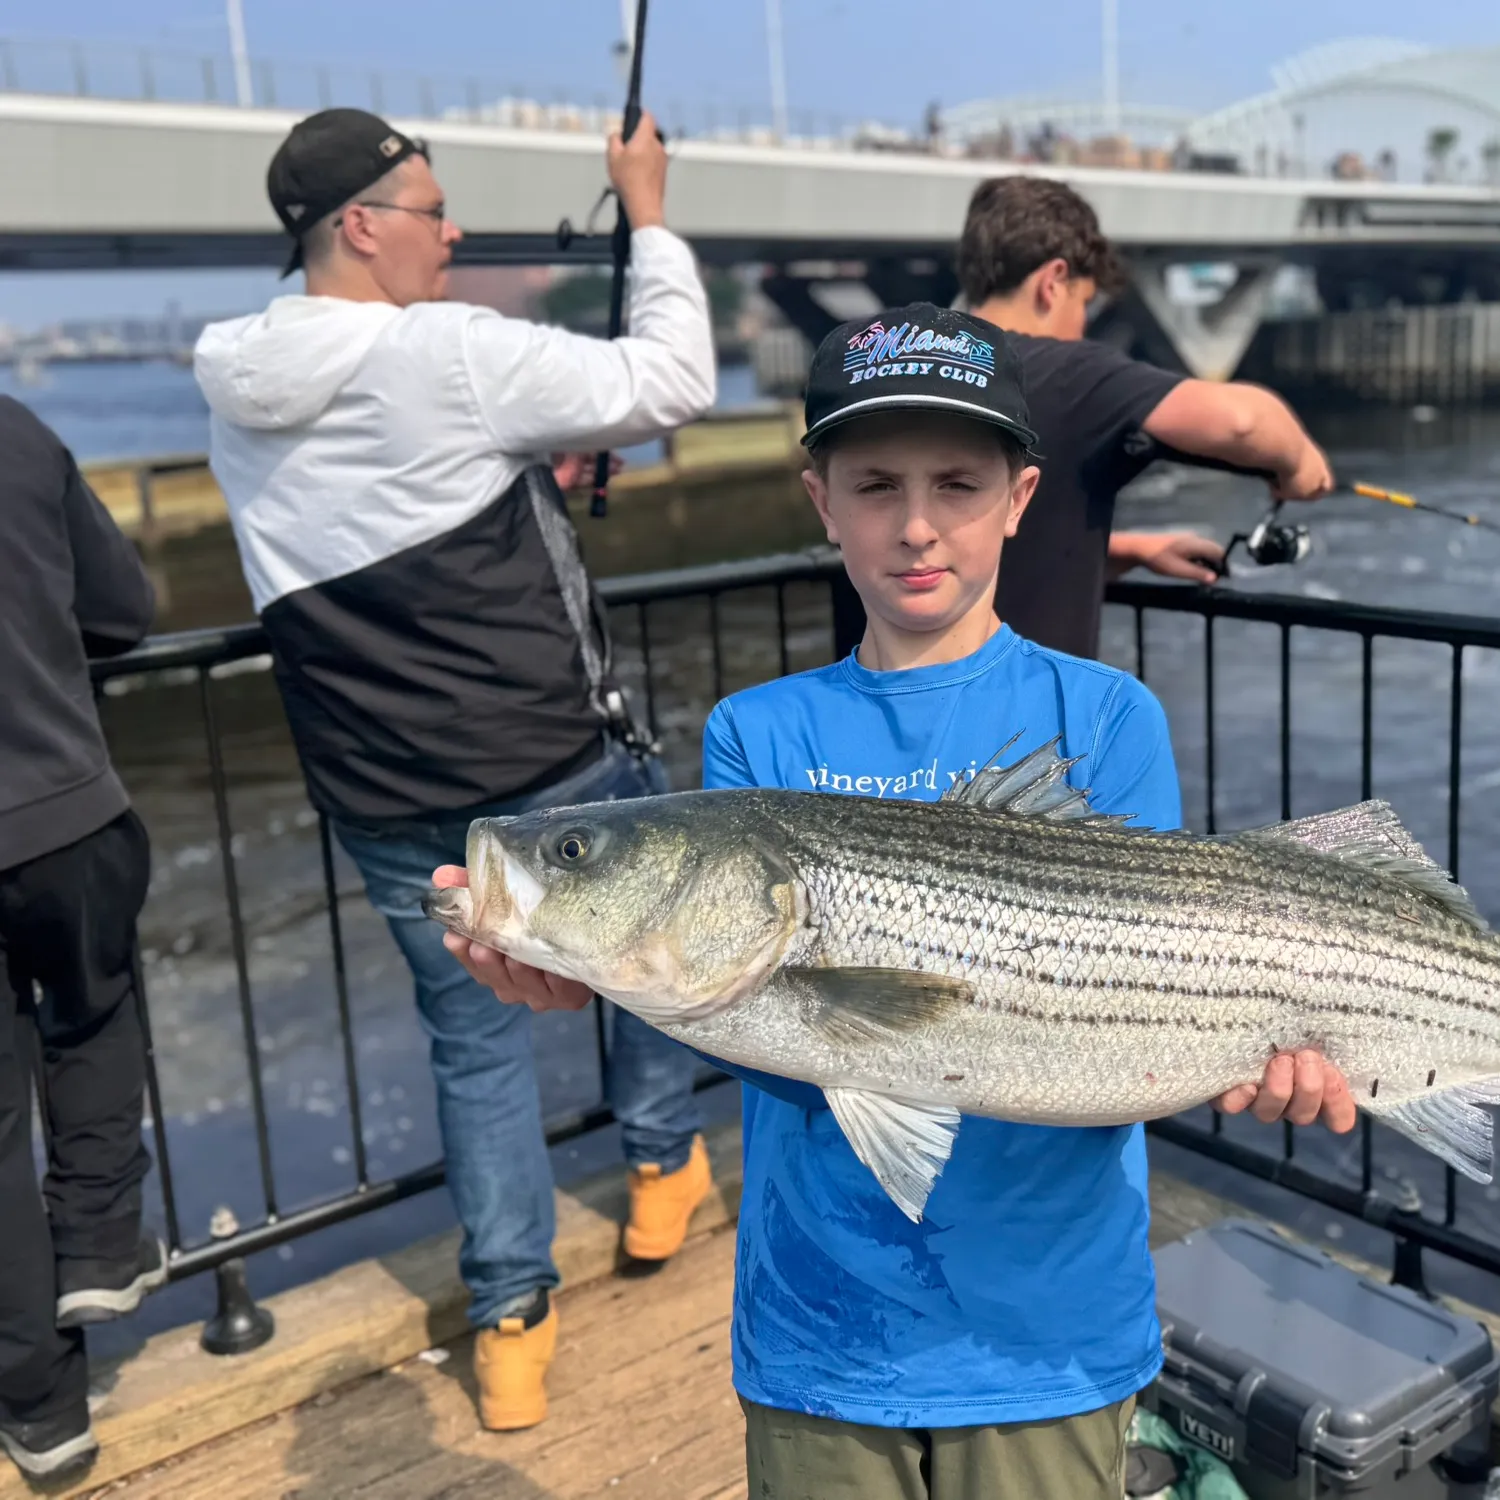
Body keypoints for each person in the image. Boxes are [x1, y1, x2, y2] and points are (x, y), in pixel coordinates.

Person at [437, 306, 1358, 1497]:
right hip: (823, 1326)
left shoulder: (1107, 718)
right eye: (875, 485)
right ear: (820, 499)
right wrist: (587, 974)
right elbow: (774, 1039)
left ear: (1021, 498)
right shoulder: (755, 733)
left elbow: (1153, 1009)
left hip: (1051, 1333)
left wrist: (1270, 1058)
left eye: (958, 485)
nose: (918, 524)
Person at [192, 106, 718, 1431]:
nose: (456, 229)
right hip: (545, 771)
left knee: (472, 1047)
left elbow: (393, 492)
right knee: (647, 966)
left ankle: (510, 1327)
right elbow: (673, 383)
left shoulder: (234, 382)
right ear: (364, 227)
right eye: (433, 209)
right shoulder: (446, 349)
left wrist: (522, 461)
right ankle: (662, 1178)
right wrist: (645, 209)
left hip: (379, 796)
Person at [959, 174, 1336, 660]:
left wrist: (1133, 551)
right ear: (1053, 283)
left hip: (896, 709)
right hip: (1025, 725)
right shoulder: (1067, 373)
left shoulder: (922, 364)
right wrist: (1301, 466)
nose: (1082, 323)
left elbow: (984, 540)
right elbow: (1242, 422)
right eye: (1084, 301)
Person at [0, 399, 166, 1480]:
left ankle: (44, 1412)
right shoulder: (16, 433)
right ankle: (100, 1245)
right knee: (95, 1012)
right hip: (64, 807)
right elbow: (126, 610)